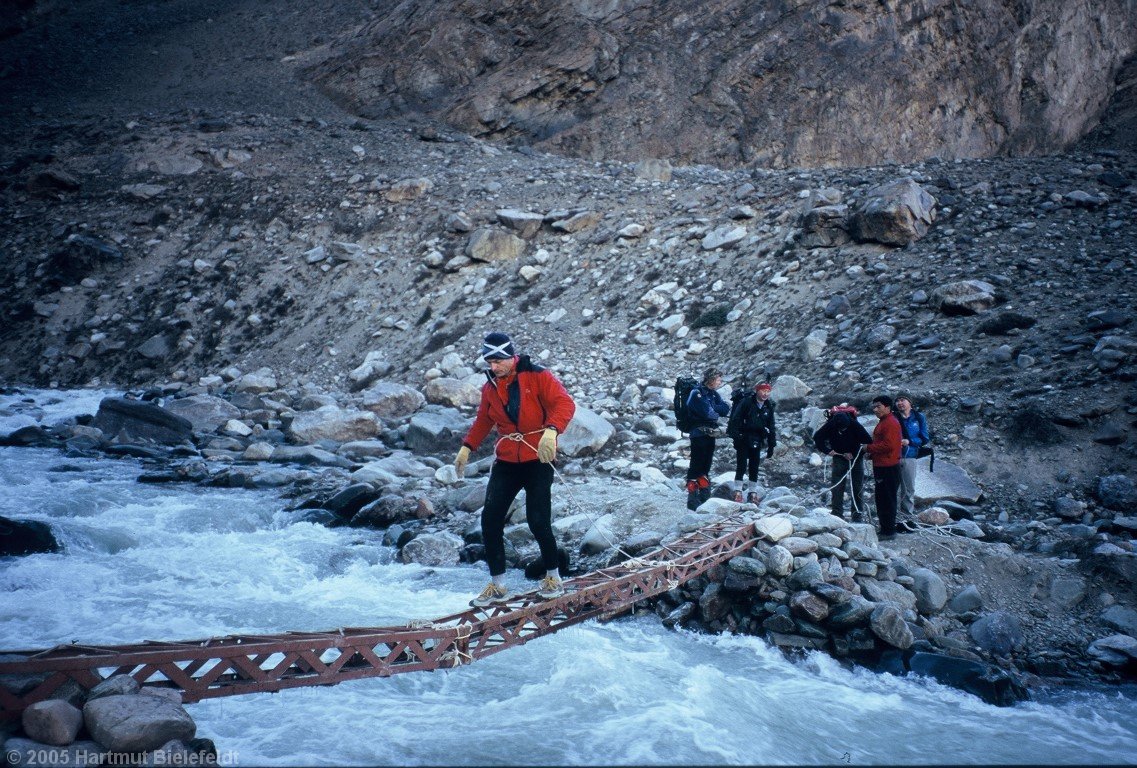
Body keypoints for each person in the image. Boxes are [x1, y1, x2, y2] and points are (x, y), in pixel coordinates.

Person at [455, 332, 576, 607]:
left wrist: (552, 430)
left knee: (538, 520)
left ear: (511, 356)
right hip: (507, 460)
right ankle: (498, 586)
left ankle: (553, 578)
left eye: (497, 361)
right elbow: (484, 420)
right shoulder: (490, 387)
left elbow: (565, 404)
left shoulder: (538, 376)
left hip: (538, 457)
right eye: (489, 362)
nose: (493, 367)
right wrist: (467, 447)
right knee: (490, 520)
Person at [812, 405, 872, 521]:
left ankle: (857, 514)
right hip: (839, 457)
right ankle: (837, 513)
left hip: (856, 458)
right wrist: (828, 451)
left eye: (843, 429)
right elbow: (818, 437)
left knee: (857, 486)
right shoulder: (831, 424)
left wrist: (854, 453)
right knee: (837, 485)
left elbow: (867, 441)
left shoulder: (854, 424)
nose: (841, 431)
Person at [685, 367, 730, 510]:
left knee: (706, 464)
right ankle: (692, 499)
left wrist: (714, 408)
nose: (720, 382)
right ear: (711, 379)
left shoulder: (713, 394)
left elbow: (725, 409)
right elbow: (708, 414)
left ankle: (704, 497)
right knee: (696, 465)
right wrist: (715, 409)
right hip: (698, 433)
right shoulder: (696, 393)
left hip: (710, 434)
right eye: (718, 379)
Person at [866, 395, 903, 539]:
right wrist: (873, 453)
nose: (875, 410)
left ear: (887, 407)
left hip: (888, 466)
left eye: (878, 406)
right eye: (874, 407)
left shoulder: (890, 423)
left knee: (886, 498)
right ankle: (885, 528)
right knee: (882, 498)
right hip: (882, 464)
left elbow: (889, 445)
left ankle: (888, 531)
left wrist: (868, 448)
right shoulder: (884, 421)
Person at [730, 381, 777, 486]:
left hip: (758, 438)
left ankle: (752, 492)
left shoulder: (768, 407)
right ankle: (738, 490)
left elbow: (771, 426)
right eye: (763, 391)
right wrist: (736, 438)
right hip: (744, 438)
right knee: (741, 465)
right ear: (757, 390)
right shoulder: (746, 403)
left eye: (768, 391)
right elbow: (735, 420)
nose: (765, 394)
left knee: (754, 466)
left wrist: (771, 445)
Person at [895, 394, 931, 529]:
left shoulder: (918, 417)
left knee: (908, 488)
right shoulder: (893, 417)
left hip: (910, 455)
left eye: (902, 400)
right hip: (893, 456)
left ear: (910, 402)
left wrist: (910, 441)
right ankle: (893, 517)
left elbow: (925, 438)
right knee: (893, 488)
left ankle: (907, 519)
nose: (900, 403)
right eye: (897, 401)